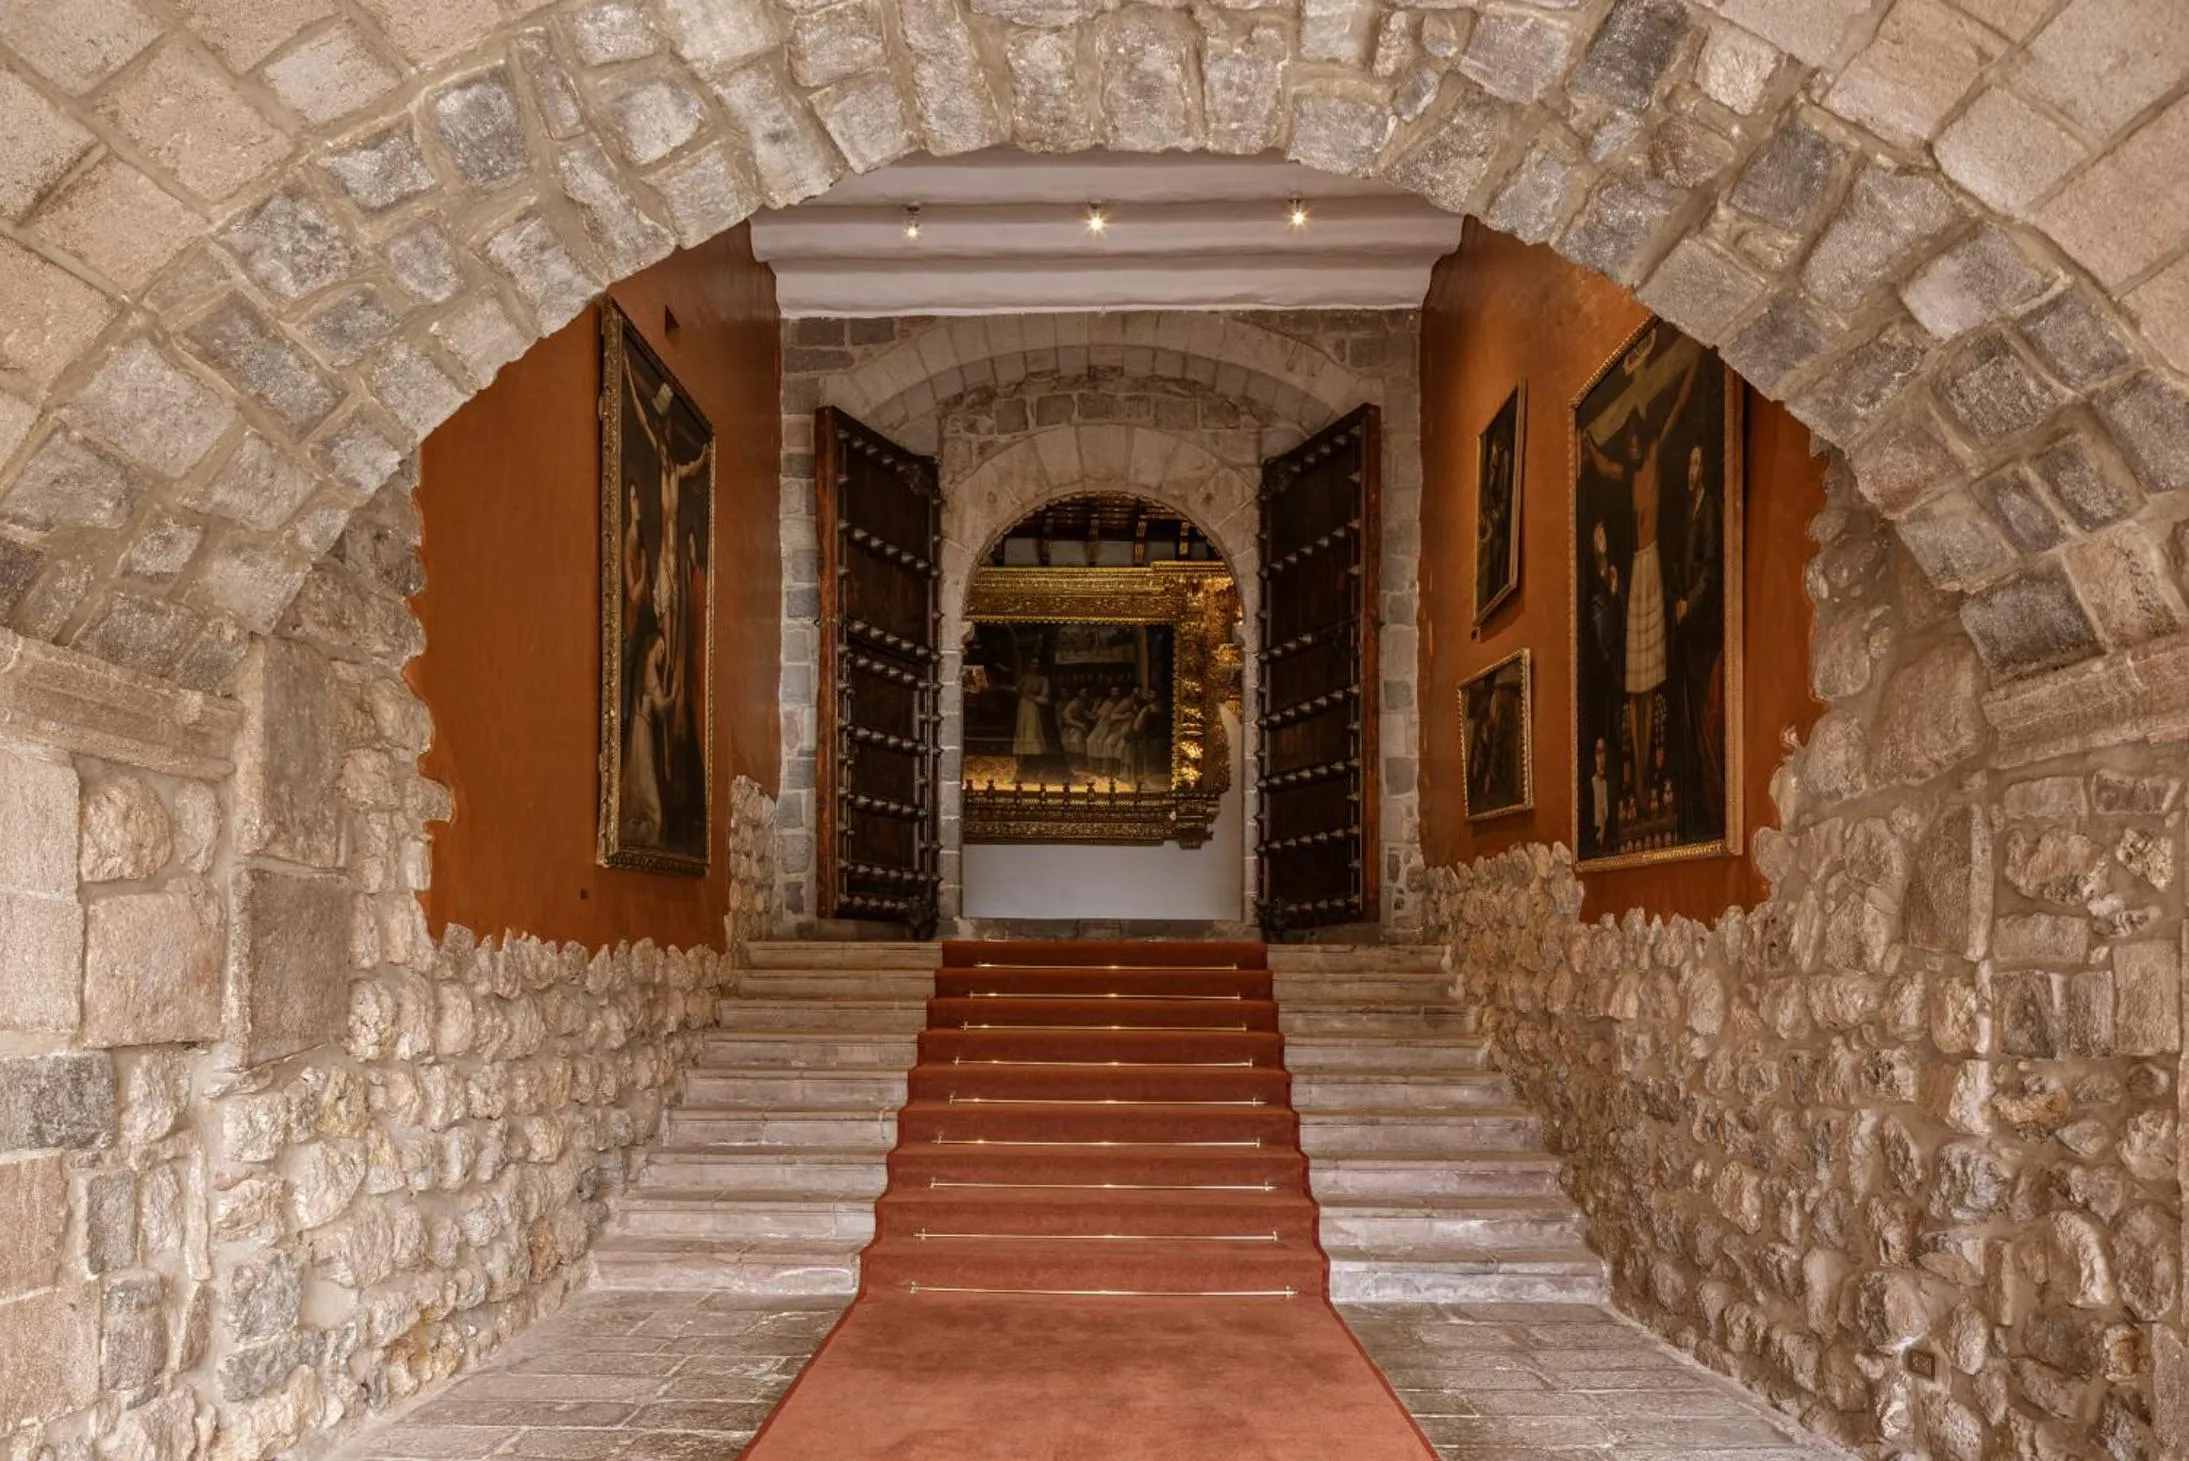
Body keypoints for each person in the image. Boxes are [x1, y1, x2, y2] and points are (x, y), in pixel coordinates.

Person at [1582, 351, 1702, 808]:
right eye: (1627, 441)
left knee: (1652, 677)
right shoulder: (1629, 470)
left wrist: (1689, 369)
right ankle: (1635, 786)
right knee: (1635, 682)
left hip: (1651, 564)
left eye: (1634, 439)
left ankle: (1652, 778)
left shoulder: (1654, 455)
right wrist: (1590, 444)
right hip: (1635, 566)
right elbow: (1607, 467)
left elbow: (1673, 412)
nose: (1630, 446)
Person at [1670, 443, 1724, 843]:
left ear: (1703, 468)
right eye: (1687, 463)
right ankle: (1701, 811)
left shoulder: (1708, 511)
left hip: (1705, 627)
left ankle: (1716, 802)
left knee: (1710, 715)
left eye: (1695, 462)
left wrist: (1692, 603)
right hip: (1688, 627)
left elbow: (1710, 567)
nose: (1691, 470)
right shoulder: (1686, 516)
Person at [1012, 657, 1054, 785]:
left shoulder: (1043, 679)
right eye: (1032, 663)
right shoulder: (1025, 677)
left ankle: (1035, 768)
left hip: (1033, 708)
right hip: (1023, 708)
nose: (1034, 666)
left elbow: (1045, 698)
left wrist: (1031, 697)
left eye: (1037, 663)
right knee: (1022, 733)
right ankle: (1022, 767)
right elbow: (1016, 689)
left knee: (1032, 733)